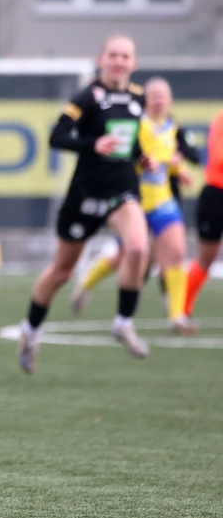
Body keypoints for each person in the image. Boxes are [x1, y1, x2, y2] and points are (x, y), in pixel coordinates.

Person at [17, 34, 151, 374]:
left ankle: (123, 321)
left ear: (133, 64)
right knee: (61, 272)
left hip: (122, 189)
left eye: (125, 56)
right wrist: (94, 144)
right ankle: (30, 331)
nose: (119, 61)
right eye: (113, 55)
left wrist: (141, 157)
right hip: (85, 193)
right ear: (101, 59)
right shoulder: (87, 97)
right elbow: (56, 136)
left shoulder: (138, 97)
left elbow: (130, 141)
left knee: (137, 248)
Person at [71, 77, 196, 334]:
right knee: (122, 257)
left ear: (170, 100)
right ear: (145, 100)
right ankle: (86, 283)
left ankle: (176, 315)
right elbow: (131, 157)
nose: (160, 101)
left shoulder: (172, 125)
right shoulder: (137, 123)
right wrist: (169, 160)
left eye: (164, 96)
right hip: (134, 202)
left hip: (162, 201)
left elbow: (174, 156)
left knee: (176, 252)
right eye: (154, 96)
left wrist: (179, 168)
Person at [185, 107, 223, 315]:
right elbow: (219, 157)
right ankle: (181, 309)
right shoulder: (221, 119)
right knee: (205, 259)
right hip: (216, 194)